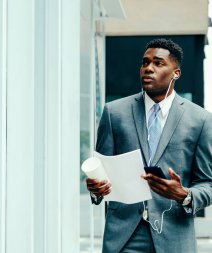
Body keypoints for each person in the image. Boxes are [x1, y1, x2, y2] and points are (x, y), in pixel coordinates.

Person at [86, 38, 212, 253]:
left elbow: (207, 183)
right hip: (124, 238)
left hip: (174, 238)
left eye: (158, 63)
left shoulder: (200, 120)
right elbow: (101, 173)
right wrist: (96, 188)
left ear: (176, 73)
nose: (148, 68)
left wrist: (185, 195)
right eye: (145, 63)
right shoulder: (114, 113)